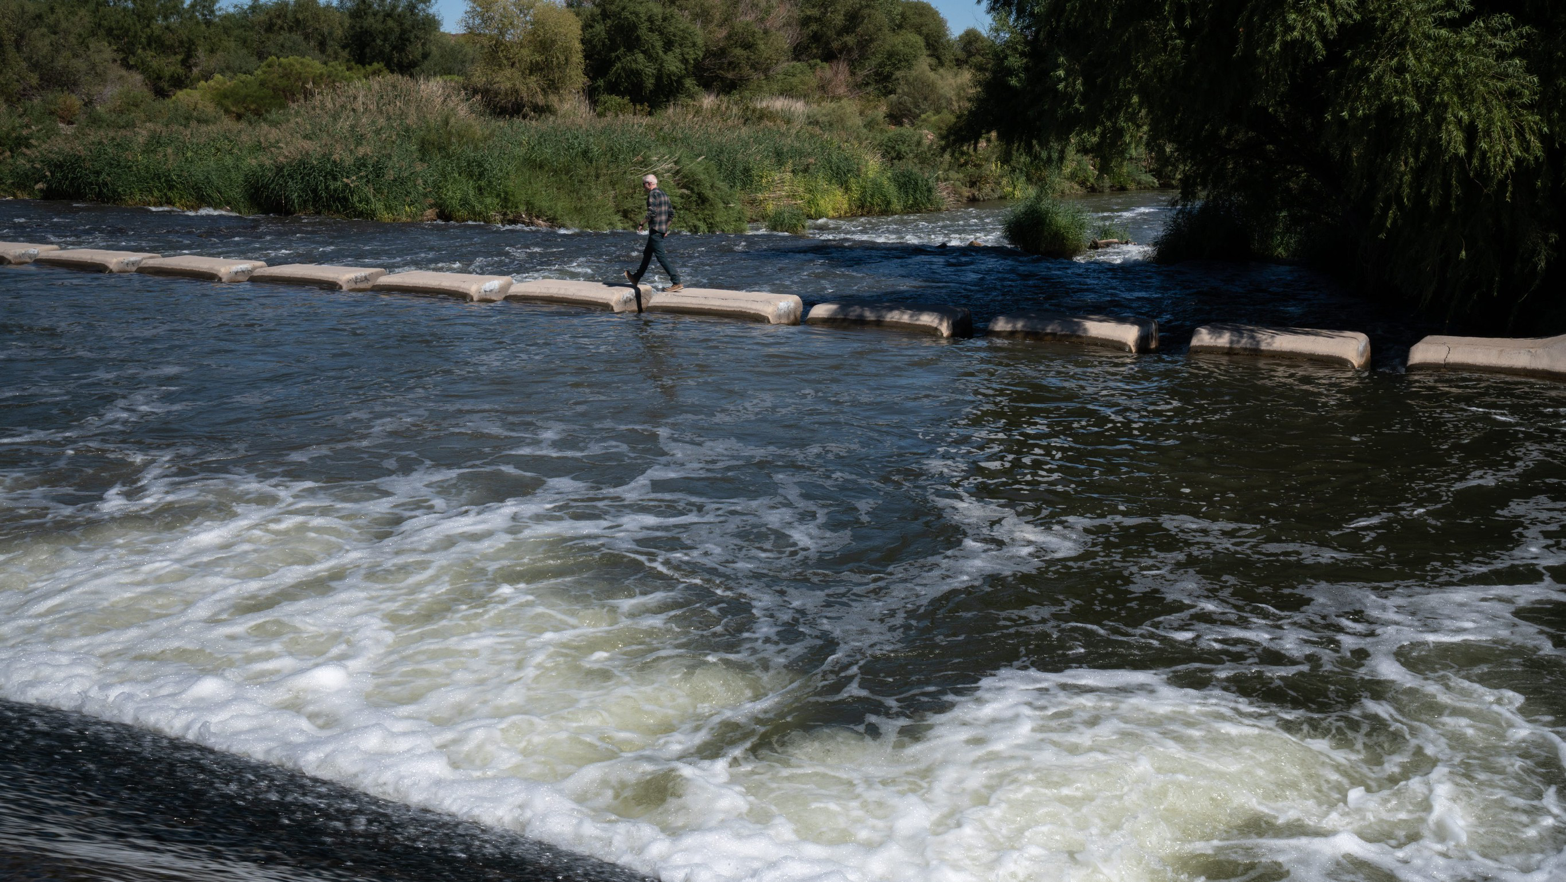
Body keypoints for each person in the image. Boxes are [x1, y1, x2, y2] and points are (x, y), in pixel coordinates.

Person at [625, 174, 682, 296]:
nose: (643, 187)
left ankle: (676, 282)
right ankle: (636, 278)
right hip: (660, 230)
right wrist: (666, 227)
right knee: (647, 254)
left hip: (655, 230)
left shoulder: (653, 194)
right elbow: (671, 213)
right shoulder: (664, 194)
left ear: (649, 183)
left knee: (661, 257)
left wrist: (641, 223)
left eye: (644, 184)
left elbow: (652, 212)